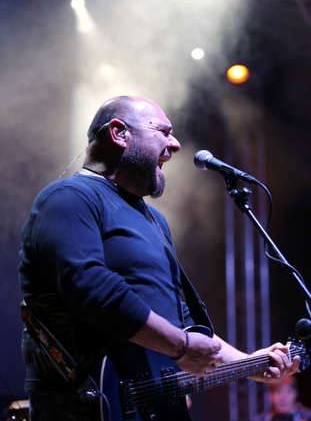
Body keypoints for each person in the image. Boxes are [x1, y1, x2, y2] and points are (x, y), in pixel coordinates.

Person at [19, 96, 300, 421]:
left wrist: (249, 364)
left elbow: (178, 319)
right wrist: (180, 347)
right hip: (88, 408)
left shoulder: (155, 220)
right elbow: (91, 288)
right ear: (119, 133)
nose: (176, 144)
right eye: (164, 131)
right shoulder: (68, 198)